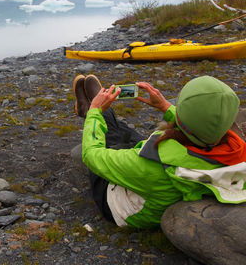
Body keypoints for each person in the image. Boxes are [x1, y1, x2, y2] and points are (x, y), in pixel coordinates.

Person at [73, 74, 246, 229]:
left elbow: (91, 155)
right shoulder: (237, 150)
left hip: (119, 204)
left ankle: (89, 109)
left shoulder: (153, 164)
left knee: (110, 135)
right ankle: (90, 108)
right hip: (162, 178)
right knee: (123, 132)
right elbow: (198, 130)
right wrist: (165, 106)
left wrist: (96, 110)